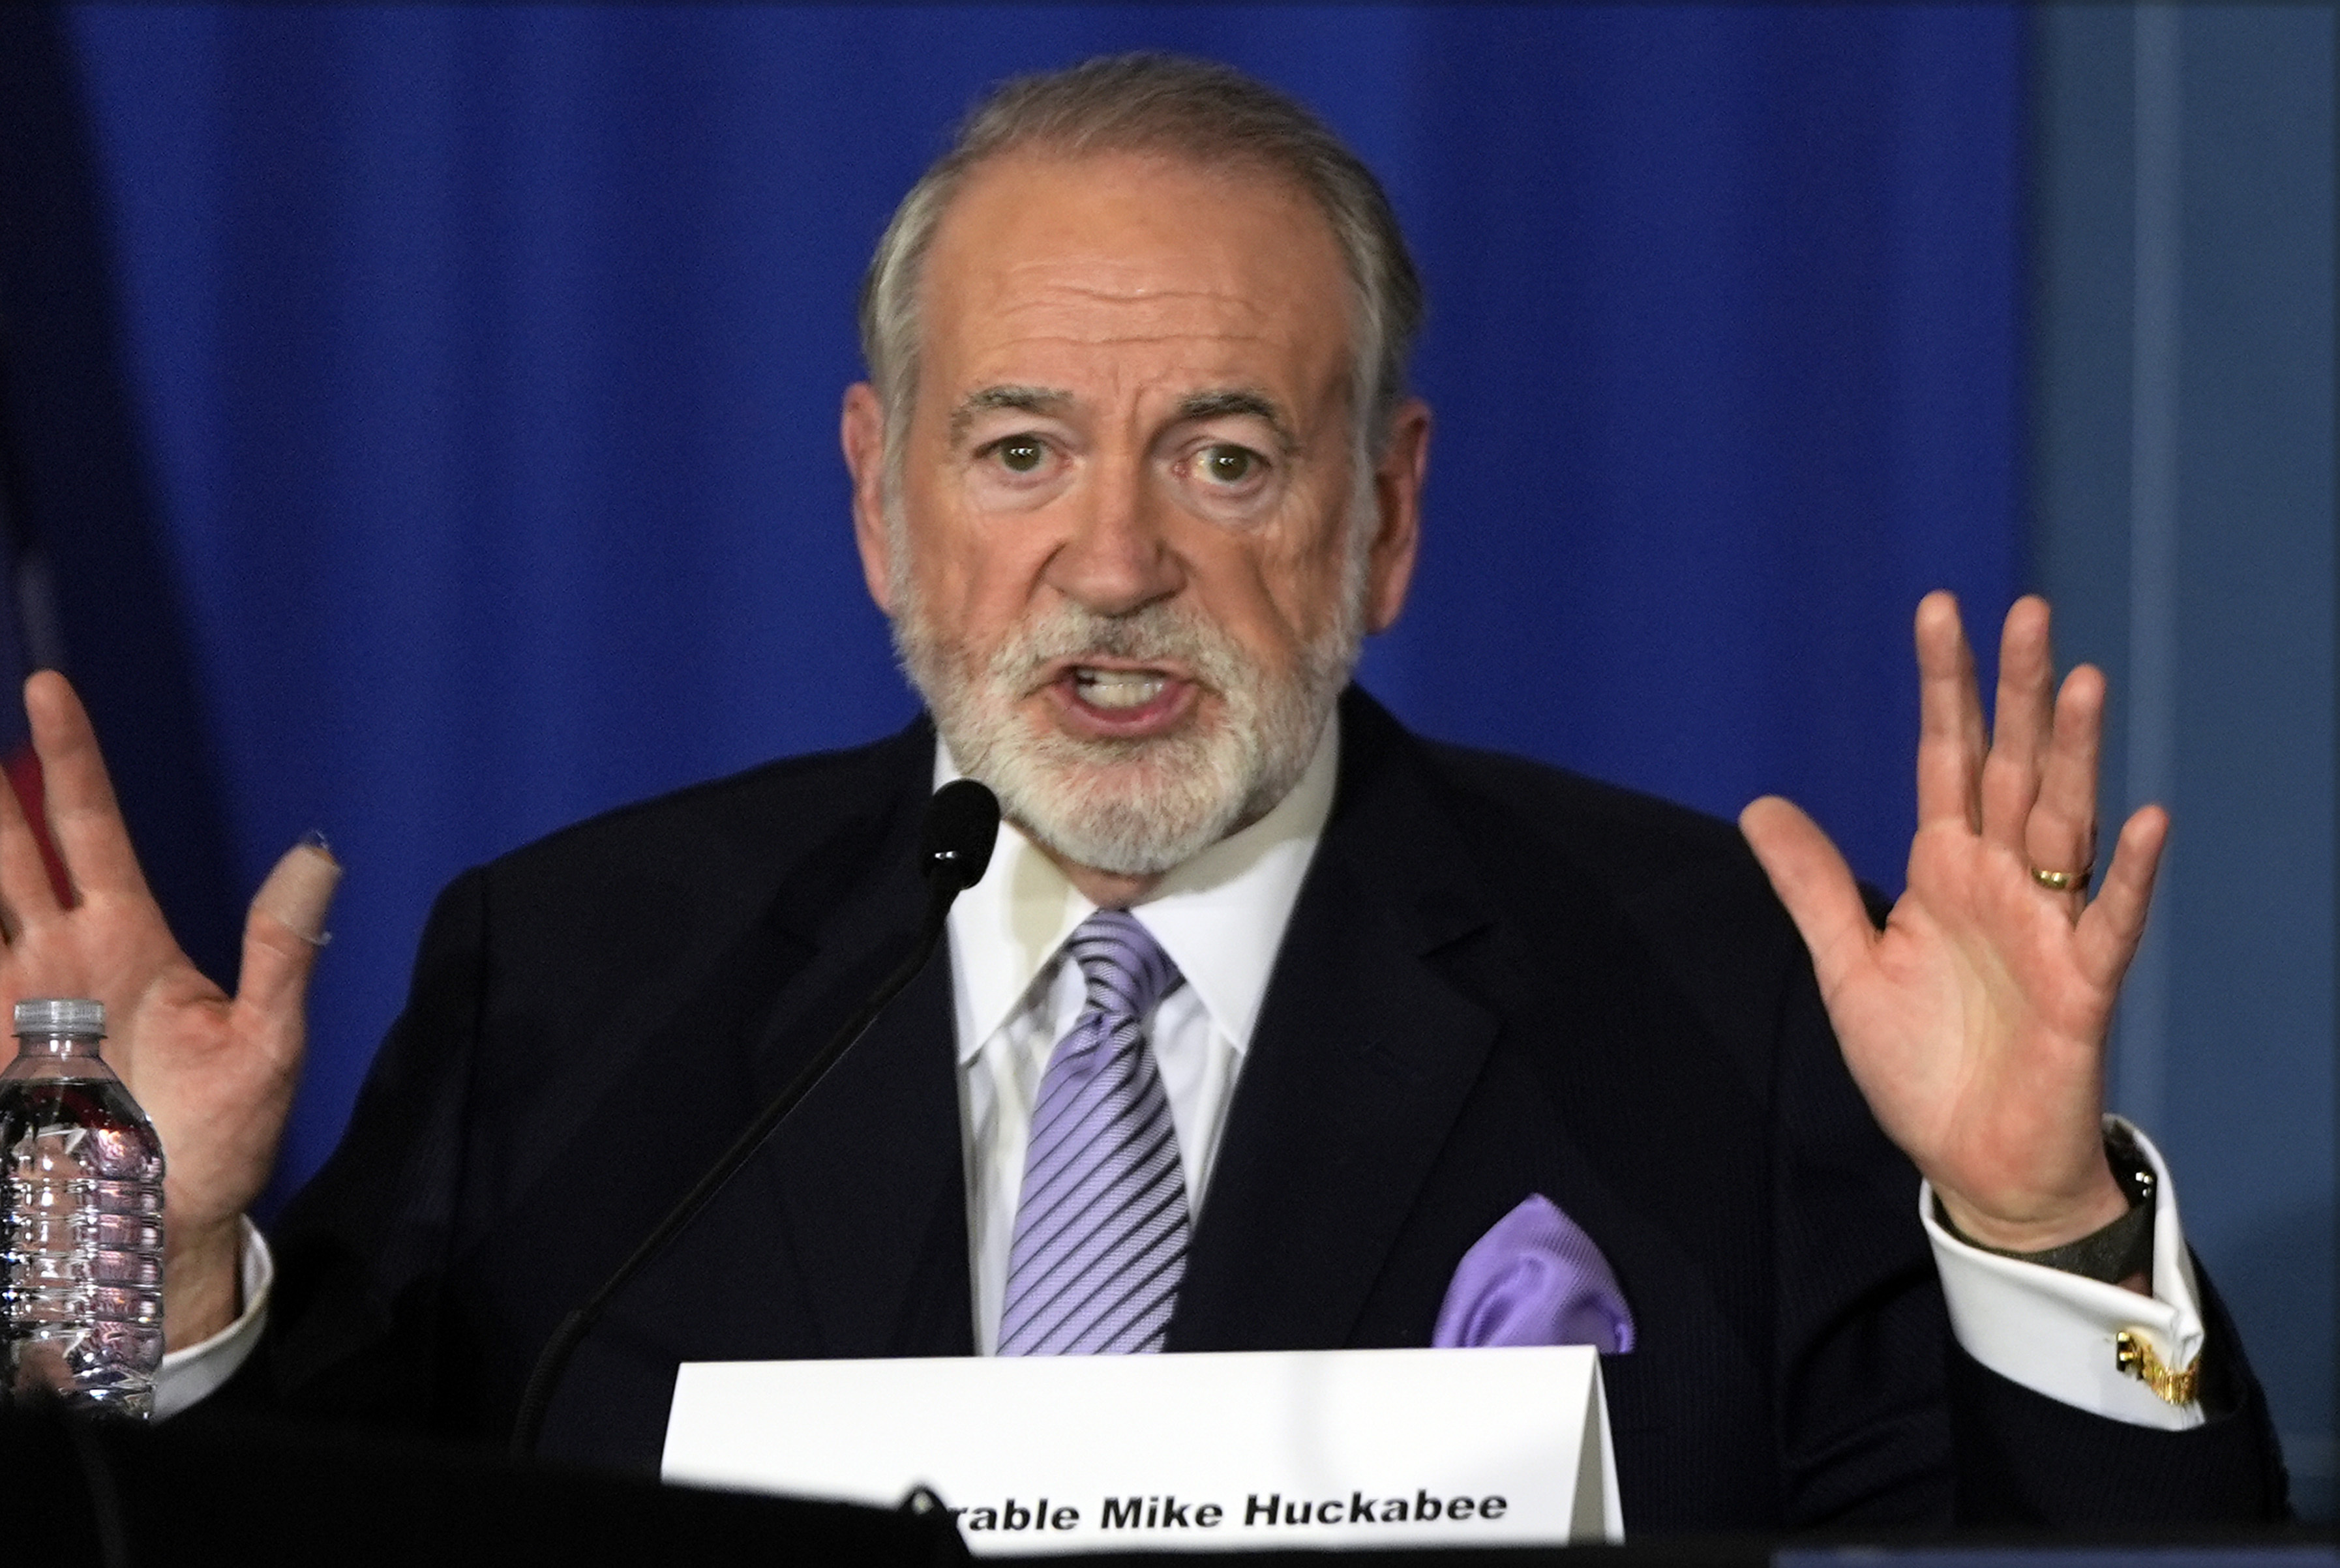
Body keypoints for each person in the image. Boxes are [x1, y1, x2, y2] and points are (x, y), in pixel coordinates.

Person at [0, 55, 2283, 1528]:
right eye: (1018, 451)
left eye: (1224, 455)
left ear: (1383, 515)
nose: (1112, 561)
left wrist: (2033, 1220)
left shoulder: (1713, 984)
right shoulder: (585, 976)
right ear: (880, 502)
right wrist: (126, 1251)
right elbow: (233, 1523)